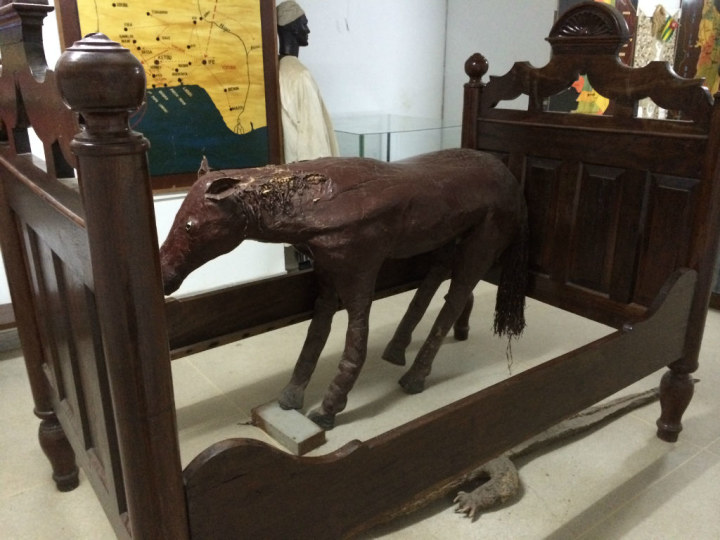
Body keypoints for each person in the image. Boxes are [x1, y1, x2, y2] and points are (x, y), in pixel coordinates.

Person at [276, 1, 339, 163]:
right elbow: (313, 143)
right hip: (306, 169)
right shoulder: (300, 75)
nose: (308, 30)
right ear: (293, 28)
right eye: (304, 24)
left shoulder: (278, 69)